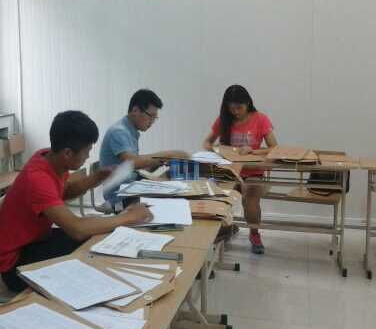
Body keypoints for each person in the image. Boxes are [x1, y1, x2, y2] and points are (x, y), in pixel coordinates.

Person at [0, 111, 153, 292]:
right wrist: (128, 217)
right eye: (87, 151)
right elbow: (77, 229)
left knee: (97, 236)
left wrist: (97, 177)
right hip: (15, 264)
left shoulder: (48, 158)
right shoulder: (37, 178)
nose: (88, 156)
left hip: (36, 241)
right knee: (90, 245)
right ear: (68, 153)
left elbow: (64, 191)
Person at [202, 85, 277, 254]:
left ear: (248, 103)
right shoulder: (223, 119)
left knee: (249, 199)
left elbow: (274, 148)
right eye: (232, 108)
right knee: (217, 197)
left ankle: (254, 233)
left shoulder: (260, 119)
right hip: (229, 171)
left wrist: (253, 151)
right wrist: (216, 150)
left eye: (239, 108)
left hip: (253, 172)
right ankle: (223, 230)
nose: (235, 112)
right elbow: (206, 142)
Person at [100, 89, 187, 210]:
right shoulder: (119, 132)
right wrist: (168, 155)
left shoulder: (130, 130)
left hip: (130, 186)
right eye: (151, 116)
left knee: (174, 185)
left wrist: (160, 162)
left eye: (155, 118)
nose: (152, 122)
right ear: (135, 110)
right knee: (172, 201)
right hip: (120, 196)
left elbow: (133, 167)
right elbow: (132, 162)